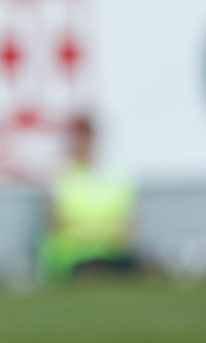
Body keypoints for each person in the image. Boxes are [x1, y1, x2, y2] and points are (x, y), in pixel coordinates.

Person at [39, 116, 137, 281]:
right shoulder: (60, 177)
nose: (85, 145)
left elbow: (128, 224)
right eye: (80, 139)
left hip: (110, 252)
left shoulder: (116, 176)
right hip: (74, 256)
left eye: (88, 139)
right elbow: (53, 222)